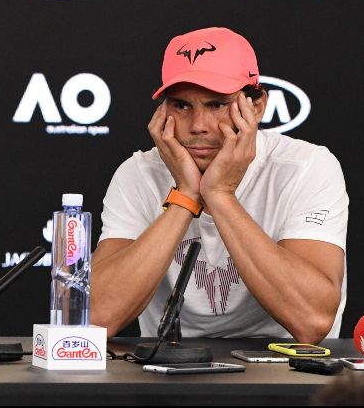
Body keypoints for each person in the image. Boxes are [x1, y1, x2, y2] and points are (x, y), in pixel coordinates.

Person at [90, 27, 348, 342]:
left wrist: (220, 195)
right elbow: (96, 316)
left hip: (284, 365)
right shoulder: (138, 173)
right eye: (181, 105)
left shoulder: (305, 167)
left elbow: (312, 320)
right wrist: (186, 195)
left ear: (256, 107)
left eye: (216, 105)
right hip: (170, 364)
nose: (198, 126)